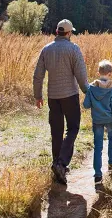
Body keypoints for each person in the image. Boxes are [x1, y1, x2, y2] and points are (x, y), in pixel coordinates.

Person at [33, 19, 89, 185]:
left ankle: (58, 167)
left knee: (56, 131)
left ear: (57, 32)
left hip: (53, 97)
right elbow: (81, 75)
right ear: (69, 33)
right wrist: (88, 92)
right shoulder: (73, 49)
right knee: (73, 128)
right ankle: (61, 163)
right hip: (70, 96)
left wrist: (38, 95)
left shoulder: (46, 49)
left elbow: (38, 75)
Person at [83, 59, 112, 187]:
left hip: (97, 120)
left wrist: (92, 99)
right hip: (110, 120)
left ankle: (98, 175)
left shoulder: (91, 88)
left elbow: (86, 105)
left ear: (99, 72)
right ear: (110, 73)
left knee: (98, 147)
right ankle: (111, 163)